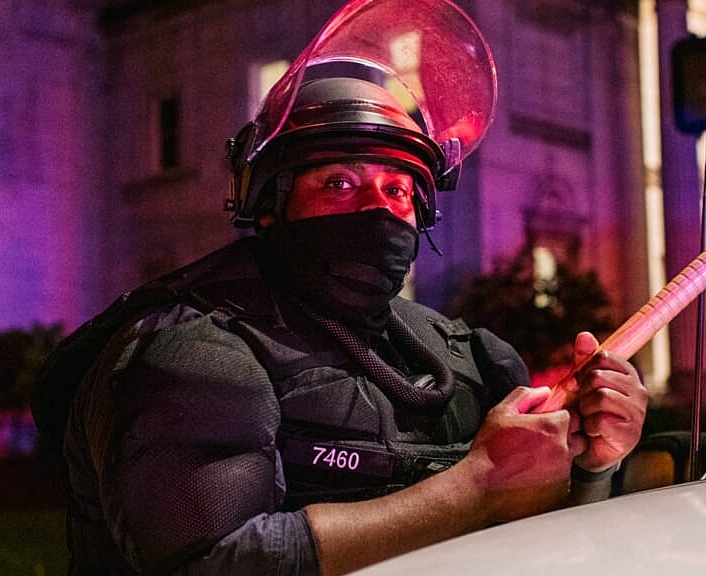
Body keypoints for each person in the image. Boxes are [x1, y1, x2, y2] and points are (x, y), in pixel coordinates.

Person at [33, 2, 647, 575]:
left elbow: (534, 547)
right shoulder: (195, 355)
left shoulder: (475, 359)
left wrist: (589, 461)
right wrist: (479, 484)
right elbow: (210, 559)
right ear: (271, 201)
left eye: (398, 189)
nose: (376, 207)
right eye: (339, 183)